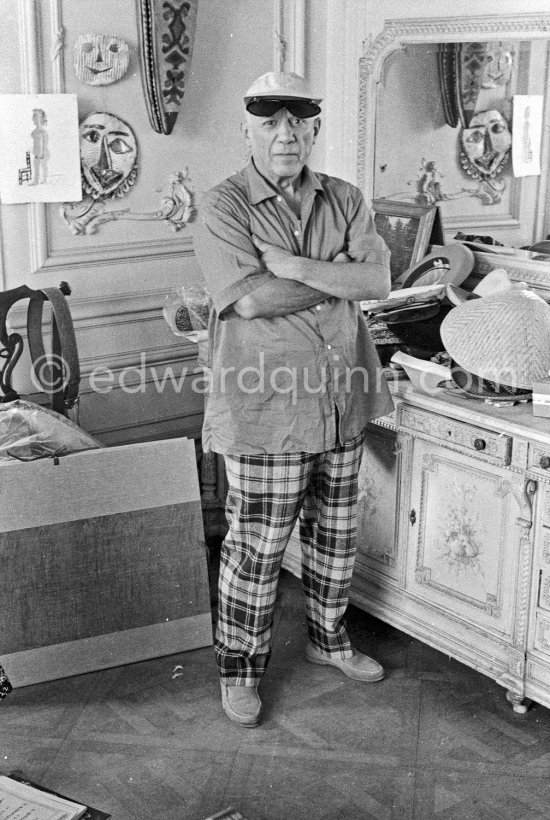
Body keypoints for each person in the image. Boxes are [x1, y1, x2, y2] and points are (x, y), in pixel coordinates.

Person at [193, 71, 393, 728]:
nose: (284, 133)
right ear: (245, 128)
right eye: (269, 121)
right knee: (259, 543)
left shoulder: (346, 197)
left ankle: (328, 639)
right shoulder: (224, 206)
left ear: (313, 127)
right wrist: (341, 279)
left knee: (336, 534)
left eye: (297, 121)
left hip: (342, 396)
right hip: (267, 406)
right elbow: (248, 298)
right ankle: (240, 670)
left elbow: (380, 278)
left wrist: (301, 268)